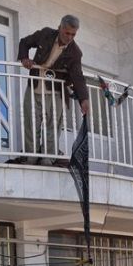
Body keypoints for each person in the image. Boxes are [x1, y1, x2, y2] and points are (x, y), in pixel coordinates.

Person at [13, 15, 90, 167]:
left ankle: (48, 159)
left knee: (52, 126)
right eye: (67, 33)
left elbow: (77, 76)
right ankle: (31, 157)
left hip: (56, 91)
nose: (69, 37)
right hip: (34, 85)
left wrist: (84, 99)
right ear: (60, 27)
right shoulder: (46, 34)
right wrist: (24, 58)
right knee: (30, 123)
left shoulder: (75, 52)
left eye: (73, 34)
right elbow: (24, 42)